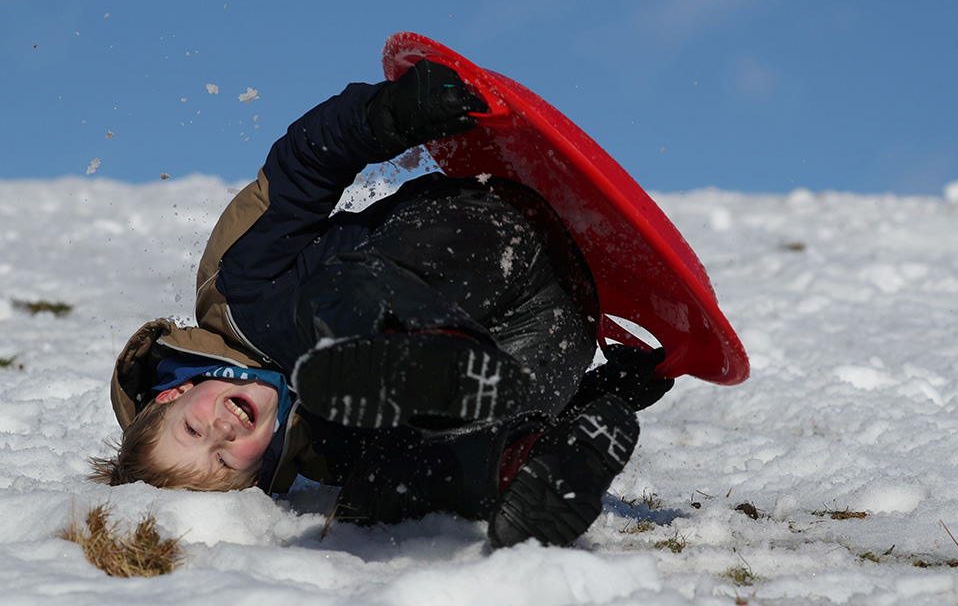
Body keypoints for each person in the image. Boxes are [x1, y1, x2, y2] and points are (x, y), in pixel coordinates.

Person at [92, 59, 674, 548]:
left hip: (478, 236)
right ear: (250, 480)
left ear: (175, 394)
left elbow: (303, 167)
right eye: (224, 461)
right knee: (380, 485)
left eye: (194, 430)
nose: (222, 431)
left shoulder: (239, 290)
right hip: (561, 320)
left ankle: (425, 344)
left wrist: (385, 115)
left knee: (322, 313)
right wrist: (606, 392)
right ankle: (526, 467)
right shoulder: (326, 453)